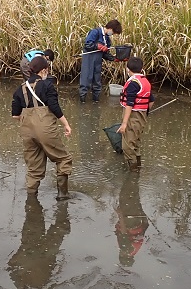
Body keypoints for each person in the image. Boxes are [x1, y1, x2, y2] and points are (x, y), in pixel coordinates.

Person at [11, 55, 73, 199]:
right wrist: (66, 124)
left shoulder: (20, 89)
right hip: (45, 128)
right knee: (63, 158)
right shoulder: (47, 85)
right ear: (44, 70)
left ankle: (31, 199)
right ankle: (63, 195)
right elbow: (54, 107)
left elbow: (15, 115)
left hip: (26, 130)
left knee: (33, 167)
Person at [115, 56, 155, 170]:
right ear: (141, 69)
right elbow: (151, 100)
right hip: (141, 116)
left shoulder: (133, 83)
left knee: (127, 146)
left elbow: (130, 104)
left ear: (128, 69)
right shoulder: (144, 81)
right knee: (135, 144)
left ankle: (133, 172)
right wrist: (145, 112)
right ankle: (137, 167)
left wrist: (124, 123)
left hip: (133, 116)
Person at [79, 19, 123, 102]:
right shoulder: (95, 32)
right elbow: (87, 45)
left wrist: (114, 58)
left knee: (97, 82)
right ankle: (82, 100)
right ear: (110, 28)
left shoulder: (107, 40)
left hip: (98, 63)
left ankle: (96, 100)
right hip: (89, 60)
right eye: (113, 32)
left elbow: (105, 54)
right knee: (85, 80)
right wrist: (97, 46)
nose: (112, 34)